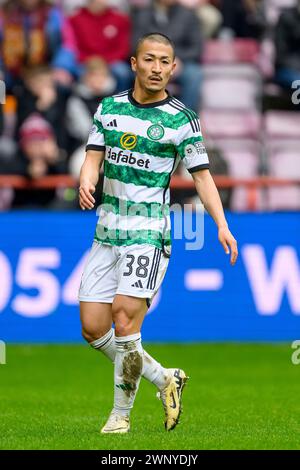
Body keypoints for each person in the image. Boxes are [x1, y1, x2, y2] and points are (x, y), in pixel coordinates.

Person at [78, 32, 238, 434]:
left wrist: (221, 224)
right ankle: (165, 377)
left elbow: (202, 178)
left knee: (125, 322)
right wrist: (86, 180)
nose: (156, 68)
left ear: (173, 67)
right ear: (134, 63)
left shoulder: (182, 119)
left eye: (164, 61)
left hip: (148, 231)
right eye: (149, 59)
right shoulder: (110, 108)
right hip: (107, 230)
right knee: (93, 328)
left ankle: (120, 417)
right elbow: (93, 156)